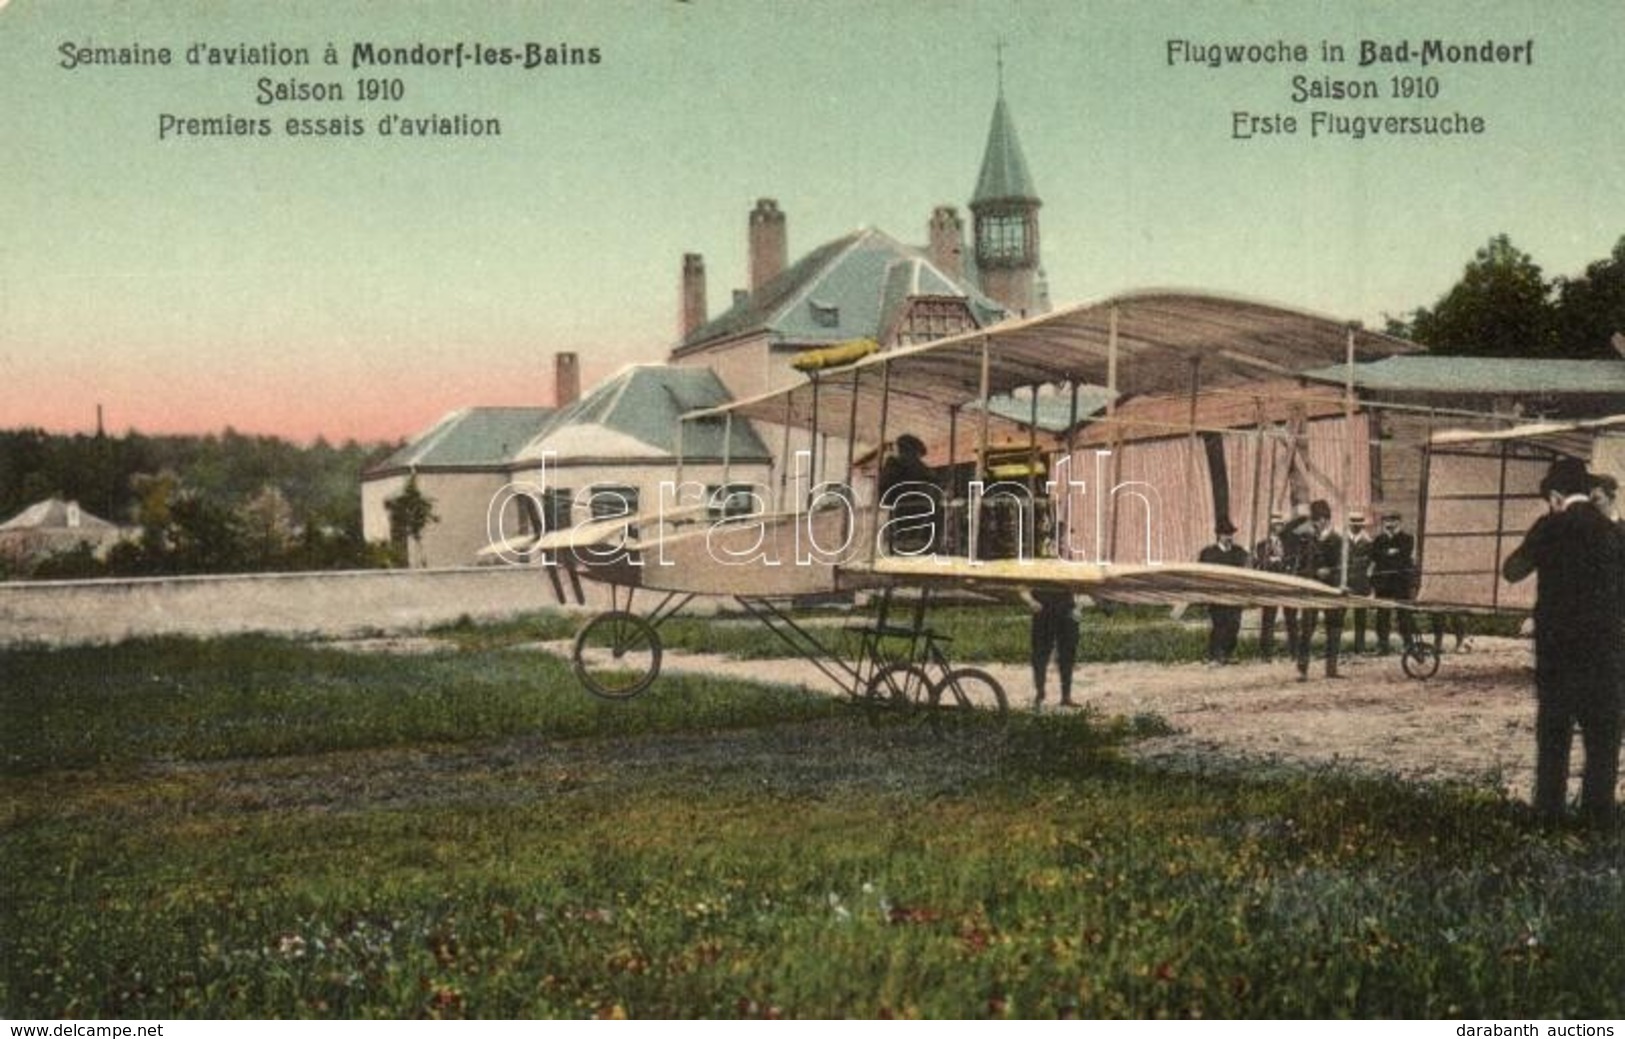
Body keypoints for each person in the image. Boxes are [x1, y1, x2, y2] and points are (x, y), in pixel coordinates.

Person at [1502, 456, 1625, 827]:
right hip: (1605, 650)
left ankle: (1549, 812)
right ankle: (1598, 814)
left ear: (1556, 495)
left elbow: (1512, 571)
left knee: (1554, 732)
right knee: (1603, 735)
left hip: (1557, 651)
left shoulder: (1548, 527)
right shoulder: (1612, 532)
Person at [1290, 499, 1346, 681]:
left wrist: (1330, 572)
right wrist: (1315, 572)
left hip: (1332, 589)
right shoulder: (1305, 540)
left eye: (1319, 520)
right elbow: (1301, 567)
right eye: (1313, 521)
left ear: (1325, 520)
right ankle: (1302, 669)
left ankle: (1331, 668)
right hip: (1312, 589)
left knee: (1334, 628)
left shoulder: (1338, 540)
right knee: (1306, 629)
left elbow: (1343, 567)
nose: (1316, 524)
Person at [1198, 517, 1249, 664]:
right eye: (1226, 534)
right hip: (1217, 594)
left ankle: (1229, 653)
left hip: (1234, 594)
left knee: (1234, 624)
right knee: (1219, 624)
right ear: (1219, 535)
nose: (1229, 537)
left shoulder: (1239, 552)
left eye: (1231, 534)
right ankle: (1215, 653)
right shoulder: (1209, 554)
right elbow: (1204, 574)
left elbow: (1246, 569)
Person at [877, 433, 939, 554]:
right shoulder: (924, 471)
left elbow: (883, 492)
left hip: (903, 514)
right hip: (918, 516)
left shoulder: (894, 464)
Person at [1371, 510, 1418, 655]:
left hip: (1400, 582)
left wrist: (1387, 555)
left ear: (1399, 522)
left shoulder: (1407, 538)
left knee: (1404, 614)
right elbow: (1375, 556)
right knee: (1382, 615)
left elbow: (1404, 556)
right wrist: (1390, 554)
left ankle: (1408, 644)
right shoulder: (1378, 540)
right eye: (1386, 521)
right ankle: (1383, 646)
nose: (1389, 524)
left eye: (1392, 520)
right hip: (1383, 583)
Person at [1025, 587, 1079, 708]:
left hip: (1066, 607)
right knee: (1039, 653)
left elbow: (1079, 584)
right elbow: (1022, 584)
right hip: (1042, 607)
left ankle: (1066, 696)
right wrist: (1030, 601)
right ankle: (1040, 693)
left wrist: (1078, 606)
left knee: (1067, 653)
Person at [1252, 513, 1296, 663]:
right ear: (1271, 526)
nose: (1280, 527)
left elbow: (1292, 561)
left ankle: (1294, 651)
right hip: (1270, 584)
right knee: (1268, 618)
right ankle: (1266, 653)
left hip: (1286, 584)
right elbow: (1261, 563)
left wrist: (1284, 564)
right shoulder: (1262, 545)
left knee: (1291, 618)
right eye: (1277, 525)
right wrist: (1272, 561)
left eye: (1281, 525)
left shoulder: (1288, 544)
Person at [1345, 511, 1375, 653]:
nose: (1356, 527)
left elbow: (1370, 561)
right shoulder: (1343, 540)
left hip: (1361, 582)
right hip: (1345, 582)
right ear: (1350, 524)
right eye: (1353, 524)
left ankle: (1360, 647)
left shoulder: (1368, 541)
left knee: (1361, 616)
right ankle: (1335, 647)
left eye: (1359, 525)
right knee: (1339, 613)